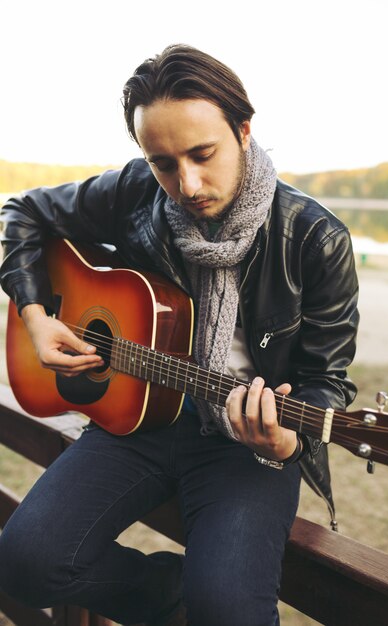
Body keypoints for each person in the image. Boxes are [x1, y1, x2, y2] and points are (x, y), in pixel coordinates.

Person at [0, 44, 359, 626]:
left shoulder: (315, 238)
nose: (186, 183)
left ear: (243, 131)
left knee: (230, 612)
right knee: (23, 563)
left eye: (202, 154)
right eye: (163, 162)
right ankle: (172, 596)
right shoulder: (136, 190)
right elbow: (20, 210)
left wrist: (288, 443)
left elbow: (325, 380)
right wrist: (37, 314)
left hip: (246, 447)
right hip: (140, 420)